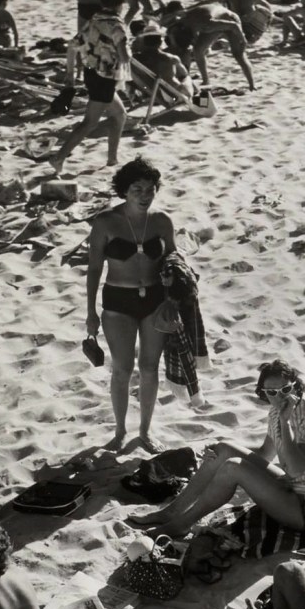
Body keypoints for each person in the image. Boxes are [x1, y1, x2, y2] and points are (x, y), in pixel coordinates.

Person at [130, 358, 305, 538]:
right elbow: (265, 454)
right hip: (292, 486)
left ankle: (182, 524)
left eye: (286, 389)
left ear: (296, 386)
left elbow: (296, 469)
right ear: (263, 393)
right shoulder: (278, 411)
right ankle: (172, 512)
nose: (280, 396)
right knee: (224, 450)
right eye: (272, 392)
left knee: (233, 468)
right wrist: (218, 453)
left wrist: (286, 424)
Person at [84, 157, 173, 452]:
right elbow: (95, 268)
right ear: (124, 190)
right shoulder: (106, 222)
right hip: (117, 302)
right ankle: (120, 431)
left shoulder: (162, 221)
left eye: (150, 189)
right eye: (137, 189)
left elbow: (173, 262)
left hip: (155, 301)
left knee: (150, 367)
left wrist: (176, 299)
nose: (145, 196)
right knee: (122, 368)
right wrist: (90, 313)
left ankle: (145, 432)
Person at [50, 0, 130, 174]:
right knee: (90, 122)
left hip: (91, 73)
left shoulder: (93, 21)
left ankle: (112, 159)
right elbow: (124, 57)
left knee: (119, 115)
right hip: (105, 78)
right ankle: (58, 158)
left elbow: (72, 47)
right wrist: (125, 54)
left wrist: (70, 74)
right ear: (119, 5)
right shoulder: (117, 25)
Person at [162, 1, 256, 91]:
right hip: (210, 19)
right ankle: (206, 81)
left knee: (238, 55)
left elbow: (234, 26)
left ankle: (252, 84)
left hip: (230, 19)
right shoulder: (182, 23)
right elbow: (165, 25)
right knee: (198, 50)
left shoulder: (206, 25)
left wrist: (243, 40)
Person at [132, 24, 196, 100]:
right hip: (175, 94)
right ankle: (198, 95)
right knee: (186, 77)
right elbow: (184, 74)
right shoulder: (171, 58)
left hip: (155, 94)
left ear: (144, 42)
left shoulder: (135, 59)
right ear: (160, 42)